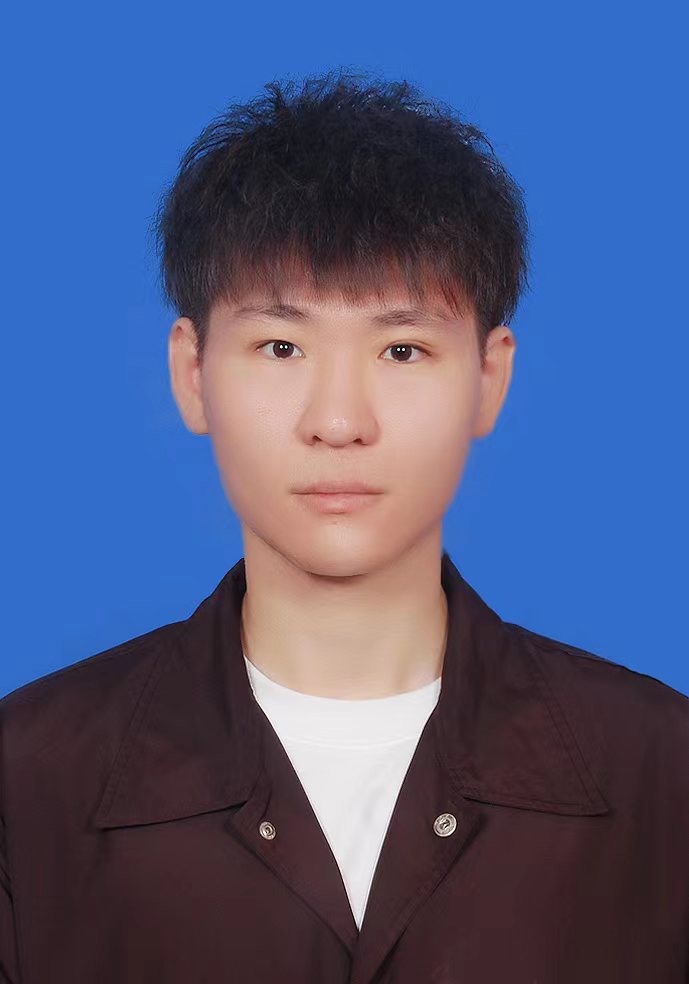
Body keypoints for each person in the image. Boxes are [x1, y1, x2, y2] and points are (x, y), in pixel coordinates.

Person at [1, 70, 687, 984]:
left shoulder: (659, 770)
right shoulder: (28, 779)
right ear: (191, 373)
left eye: (402, 349)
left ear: (489, 378)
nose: (337, 420)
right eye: (280, 347)